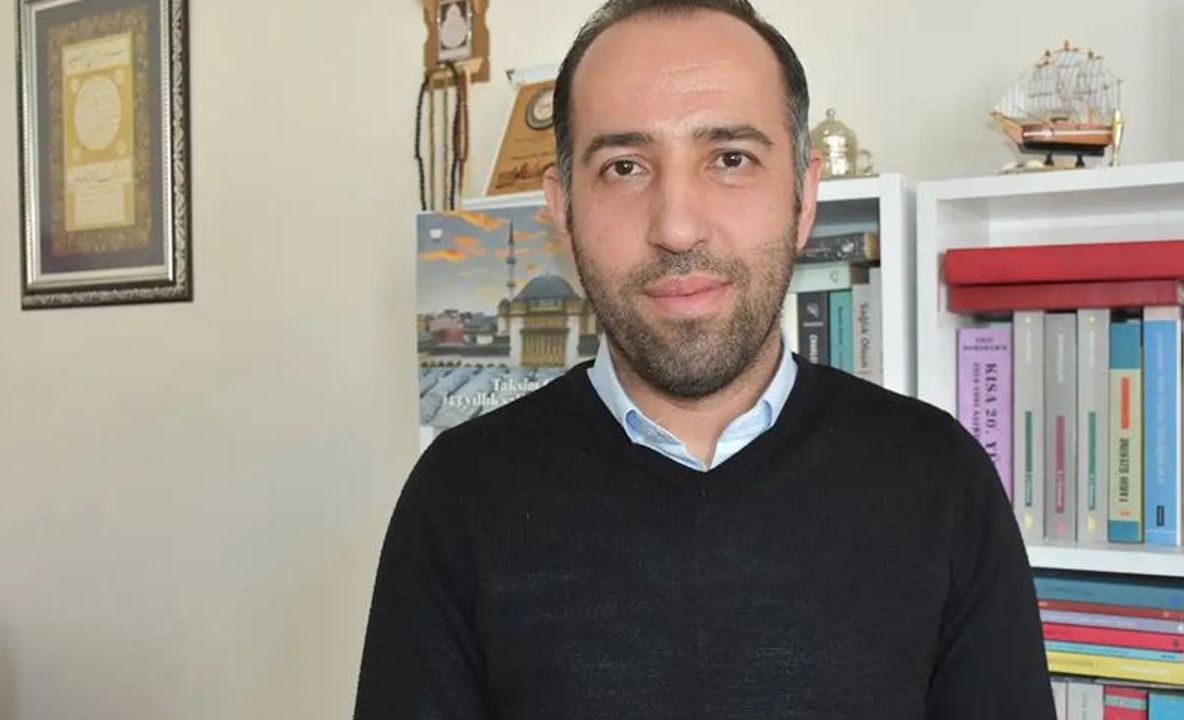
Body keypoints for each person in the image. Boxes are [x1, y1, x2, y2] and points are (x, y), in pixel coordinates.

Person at [354, 1, 1054, 718]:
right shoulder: (458, 498)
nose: (678, 226)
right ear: (563, 212)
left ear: (803, 198)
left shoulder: (941, 480)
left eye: (730, 159)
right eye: (624, 167)